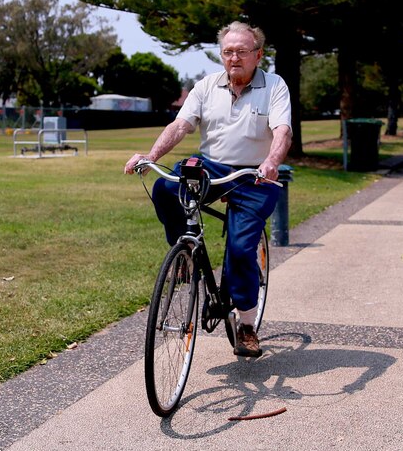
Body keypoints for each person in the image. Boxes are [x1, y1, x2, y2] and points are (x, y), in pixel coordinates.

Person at [124, 21, 292, 358]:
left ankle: (245, 325)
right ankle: (184, 251)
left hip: (254, 174)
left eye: (242, 52)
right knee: (165, 188)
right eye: (228, 52)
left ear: (257, 55)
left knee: (242, 251)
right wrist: (151, 155)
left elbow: (282, 130)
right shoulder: (205, 86)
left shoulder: (274, 85)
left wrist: (272, 160)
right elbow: (181, 125)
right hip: (212, 166)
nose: (234, 58)